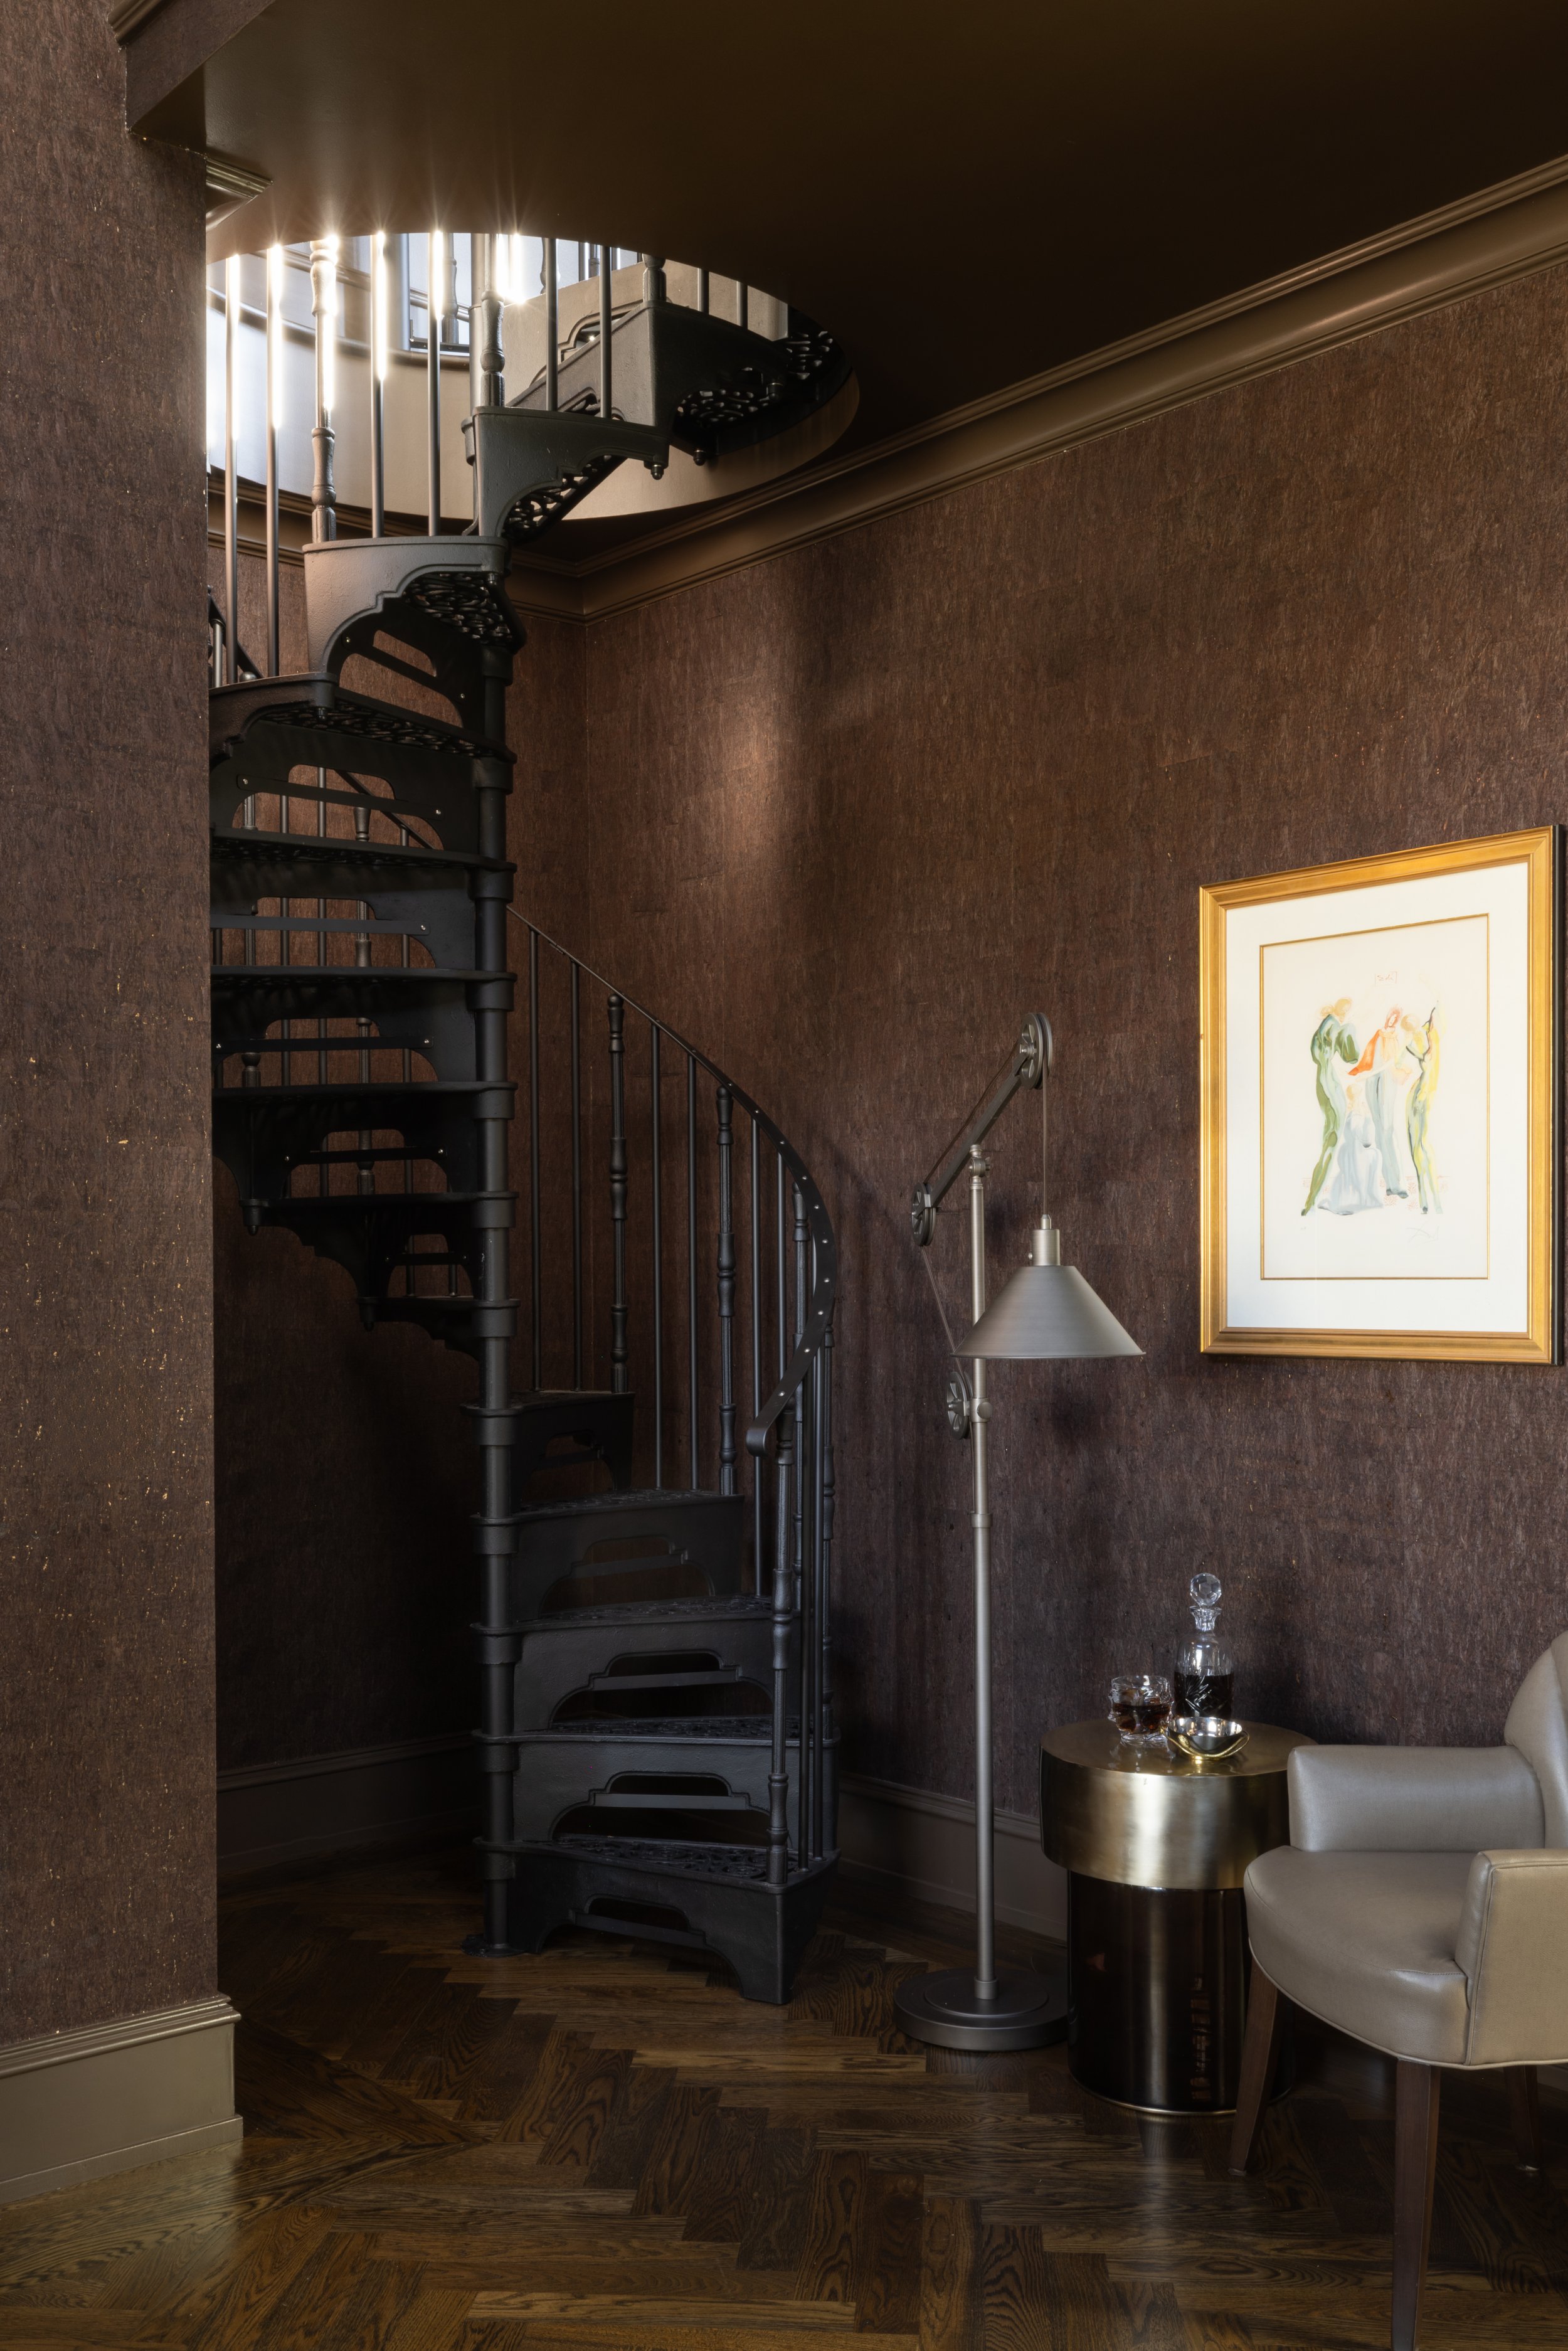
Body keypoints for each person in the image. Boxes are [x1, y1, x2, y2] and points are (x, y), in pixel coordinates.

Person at [1303, 999, 1359, 1214]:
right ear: (1345, 1013)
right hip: (1329, 1082)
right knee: (1332, 1141)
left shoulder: (1325, 1025)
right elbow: (1351, 1056)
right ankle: (1311, 1201)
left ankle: (1312, 1200)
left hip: (1323, 1080)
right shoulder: (1336, 1026)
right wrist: (1350, 1028)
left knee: (1330, 1141)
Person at [1348, 1008, 1409, 1199]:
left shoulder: (1396, 1038)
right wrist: (1365, 1074)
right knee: (1379, 1130)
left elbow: (1390, 1063)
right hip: (1372, 1081)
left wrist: (1370, 1074)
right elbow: (1369, 1058)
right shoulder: (1378, 1034)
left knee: (1387, 1129)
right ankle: (1390, 1184)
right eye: (1391, 1016)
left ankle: (1398, 1183)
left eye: (1395, 1018)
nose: (1392, 1020)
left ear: (1397, 1021)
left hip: (1387, 1080)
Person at [1402, 1007, 1441, 1213]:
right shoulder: (1423, 1037)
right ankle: (1426, 1196)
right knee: (1419, 1144)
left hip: (1423, 1094)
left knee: (1421, 1144)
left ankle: (1428, 1196)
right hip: (1421, 1093)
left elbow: (1426, 1062)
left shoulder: (1424, 1037)